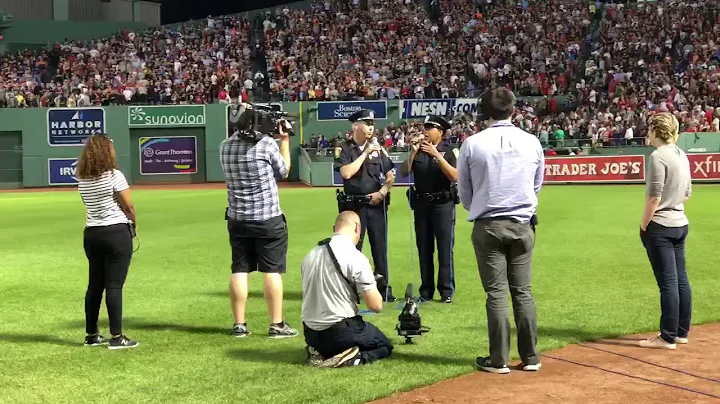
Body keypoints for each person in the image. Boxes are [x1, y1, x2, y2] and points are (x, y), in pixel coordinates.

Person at [456, 88, 544, 374]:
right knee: (523, 292)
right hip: (521, 223)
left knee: (496, 294)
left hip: (488, 224)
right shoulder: (531, 141)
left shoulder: (472, 143)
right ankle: (531, 357)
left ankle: (499, 360)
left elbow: (464, 190)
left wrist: (478, 209)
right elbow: (536, 184)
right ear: (513, 110)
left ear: (485, 112)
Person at [220, 103, 298, 339]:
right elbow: (284, 171)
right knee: (271, 270)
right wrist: (285, 140)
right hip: (267, 218)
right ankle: (276, 324)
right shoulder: (266, 145)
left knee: (240, 269)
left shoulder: (225, 147)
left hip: (238, 218)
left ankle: (239, 324)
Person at [301, 211, 393, 368]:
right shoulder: (355, 257)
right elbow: (375, 306)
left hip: (310, 333)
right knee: (384, 345)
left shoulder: (310, 255)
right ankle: (353, 357)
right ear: (357, 228)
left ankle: (318, 351)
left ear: (334, 228)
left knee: (333, 337)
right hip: (341, 332)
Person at [76, 133, 139, 350]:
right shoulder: (114, 175)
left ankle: (92, 334)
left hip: (92, 233)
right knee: (114, 285)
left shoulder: (82, 178)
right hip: (115, 232)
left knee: (95, 285)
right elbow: (128, 206)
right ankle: (116, 337)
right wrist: (134, 223)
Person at [638, 112, 693, 350]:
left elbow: (654, 197)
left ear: (655, 131)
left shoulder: (658, 157)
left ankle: (667, 336)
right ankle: (681, 332)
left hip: (661, 225)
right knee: (681, 279)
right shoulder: (681, 154)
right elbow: (688, 193)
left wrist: (643, 224)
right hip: (680, 222)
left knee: (668, 282)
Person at [335, 109, 396, 302]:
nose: (371, 127)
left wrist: (383, 192)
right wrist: (365, 153)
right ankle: (352, 291)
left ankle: (384, 289)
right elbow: (346, 173)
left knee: (380, 248)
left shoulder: (379, 148)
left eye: (372, 124)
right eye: (366, 123)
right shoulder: (344, 148)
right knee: (353, 250)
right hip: (354, 207)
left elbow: (390, 176)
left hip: (377, 205)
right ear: (355, 126)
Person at [401, 115, 458, 303]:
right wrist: (413, 152)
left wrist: (436, 155)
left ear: (440, 132)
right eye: (424, 127)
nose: (425, 131)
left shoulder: (449, 151)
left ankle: (446, 291)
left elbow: (454, 175)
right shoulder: (418, 151)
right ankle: (426, 291)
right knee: (424, 249)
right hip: (422, 205)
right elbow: (403, 172)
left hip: (443, 204)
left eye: (430, 128)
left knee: (444, 249)